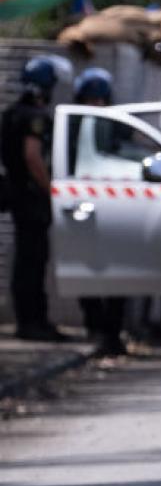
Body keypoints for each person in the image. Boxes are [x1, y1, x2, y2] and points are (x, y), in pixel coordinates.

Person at [3, 55, 70, 341]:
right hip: (31, 197)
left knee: (27, 260)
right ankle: (33, 322)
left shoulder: (12, 113)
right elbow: (33, 156)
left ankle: (31, 320)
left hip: (17, 193)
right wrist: (50, 188)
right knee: (33, 260)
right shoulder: (35, 118)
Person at [72, 68, 128, 356]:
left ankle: (112, 331)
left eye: (99, 98)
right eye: (89, 98)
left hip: (115, 206)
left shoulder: (116, 124)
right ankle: (97, 328)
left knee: (120, 271)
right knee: (85, 268)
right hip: (78, 206)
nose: (95, 104)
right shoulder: (69, 124)